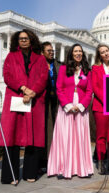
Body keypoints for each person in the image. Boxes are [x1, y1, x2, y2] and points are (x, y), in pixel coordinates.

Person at [0, 29, 48, 184]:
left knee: (32, 138)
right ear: (17, 41)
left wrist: (33, 92)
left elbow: (43, 77)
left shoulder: (39, 59)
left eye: (26, 38)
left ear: (31, 40)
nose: (23, 41)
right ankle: (10, 175)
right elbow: (7, 76)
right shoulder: (11, 57)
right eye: (21, 39)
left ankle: (29, 173)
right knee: (12, 137)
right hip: (16, 98)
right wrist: (23, 88)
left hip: (34, 100)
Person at [47, 43, 94, 179]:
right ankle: (64, 167)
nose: (78, 53)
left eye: (80, 51)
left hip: (81, 107)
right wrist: (67, 105)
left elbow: (89, 90)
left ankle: (80, 168)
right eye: (75, 51)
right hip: (66, 107)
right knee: (65, 136)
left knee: (80, 137)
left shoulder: (87, 70)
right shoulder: (63, 68)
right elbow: (59, 88)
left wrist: (80, 106)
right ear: (71, 53)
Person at [92, 44, 109, 174]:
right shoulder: (96, 68)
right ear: (99, 55)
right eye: (102, 52)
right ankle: (101, 163)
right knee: (101, 136)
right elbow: (95, 87)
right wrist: (107, 100)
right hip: (101, 106)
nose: (105, 54)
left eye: (107, 51)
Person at [40, 41, 61, 171]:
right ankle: (44, 160)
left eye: (53, 50)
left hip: (56, 100)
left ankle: (56, 158)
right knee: (45, 130)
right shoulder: (39, 64)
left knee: (56, 129)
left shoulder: (57, 65)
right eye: (49, 51)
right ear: (42, 53)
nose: (52, 52)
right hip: (43, 100)